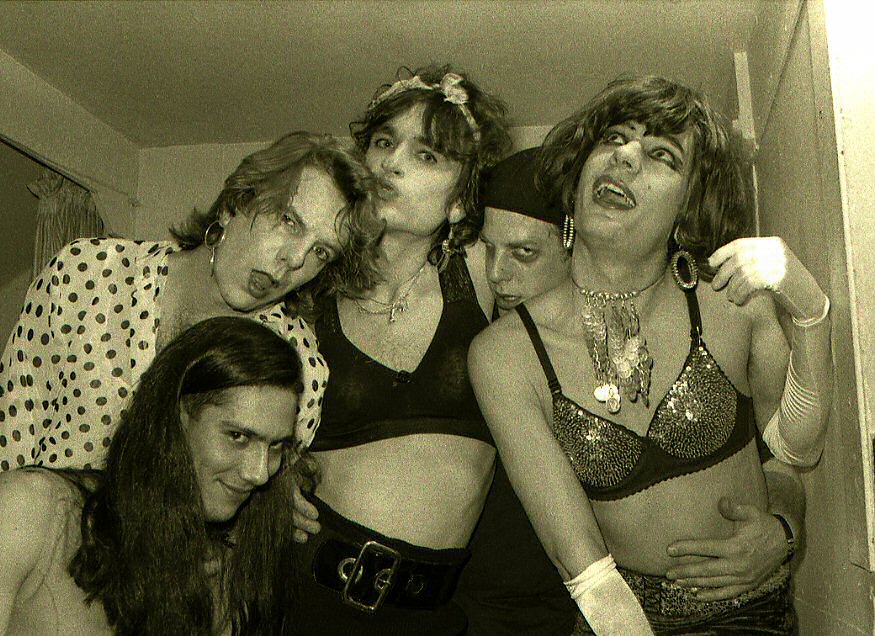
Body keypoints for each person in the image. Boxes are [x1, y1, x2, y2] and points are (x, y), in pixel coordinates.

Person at [468, 76, 832, 634]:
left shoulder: (733, 304)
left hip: (755, 617)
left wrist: (810, 309)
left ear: (690, 203)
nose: (626, 156)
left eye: (662, 154)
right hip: (615, 619)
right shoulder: (505, 355)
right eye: (614, 138)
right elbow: (581, 564)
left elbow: (793, 451)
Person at [0, 131, 381, 471]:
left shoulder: (300, 366)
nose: (295, 259)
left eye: (321, 252)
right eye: (289, 221)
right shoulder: (90, 271)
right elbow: (12, 426)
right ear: (235, 205)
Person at [287, 64, 512, 635]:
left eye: (426, 155)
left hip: (433, 616)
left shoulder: (484, 274)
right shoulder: (310, 289)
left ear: (459, 203)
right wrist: (271, 477)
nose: (391, 163)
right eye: (384, 144)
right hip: (303, 598)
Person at [0, 316, 309, 635]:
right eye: (237, 436)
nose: (259, 473)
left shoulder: (228, 576)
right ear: (174, 419)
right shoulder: (32, 510)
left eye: (276, 445)